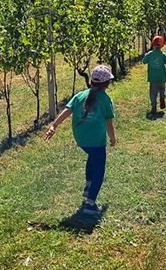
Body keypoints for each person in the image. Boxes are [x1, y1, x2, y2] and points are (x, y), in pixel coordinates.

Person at [45, 64, 117, 216]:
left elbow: (67, 110)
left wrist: (54, 126)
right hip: (96, 141)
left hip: (81, 139)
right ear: (107, 83)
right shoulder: (105, 99)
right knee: (99, 169)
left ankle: (88, 186)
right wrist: (113, 138)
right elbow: (109, 122)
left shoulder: (80, 95)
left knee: (93, 158)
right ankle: (90, 204)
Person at [142, 35, 166, 116]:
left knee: (153, 93)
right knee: (162, 89)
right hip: (162, 78)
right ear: (162, 46)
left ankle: (154, 106)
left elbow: (144, 61)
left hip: (153, 78)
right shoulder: (163, 55)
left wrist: (146, 55)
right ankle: (162, 97)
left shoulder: (149, 55)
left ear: (152, 44)